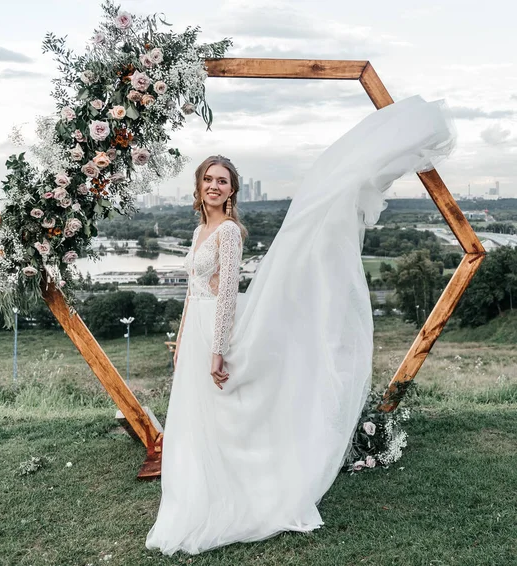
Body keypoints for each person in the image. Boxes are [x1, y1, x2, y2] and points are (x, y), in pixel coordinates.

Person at [145, 95, 456, 556]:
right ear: (199, 185)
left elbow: (227, 292)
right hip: (195, 330)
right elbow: (195, 289)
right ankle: (198, 485)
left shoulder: (229, 232)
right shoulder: (198, 231)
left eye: (222, 181)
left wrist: (216, 347)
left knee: (227, 411)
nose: (214, 186)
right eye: (208, 179)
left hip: (218, 330)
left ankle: (243, 489)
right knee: (197, 415)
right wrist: (184, 339)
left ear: (232, 191)